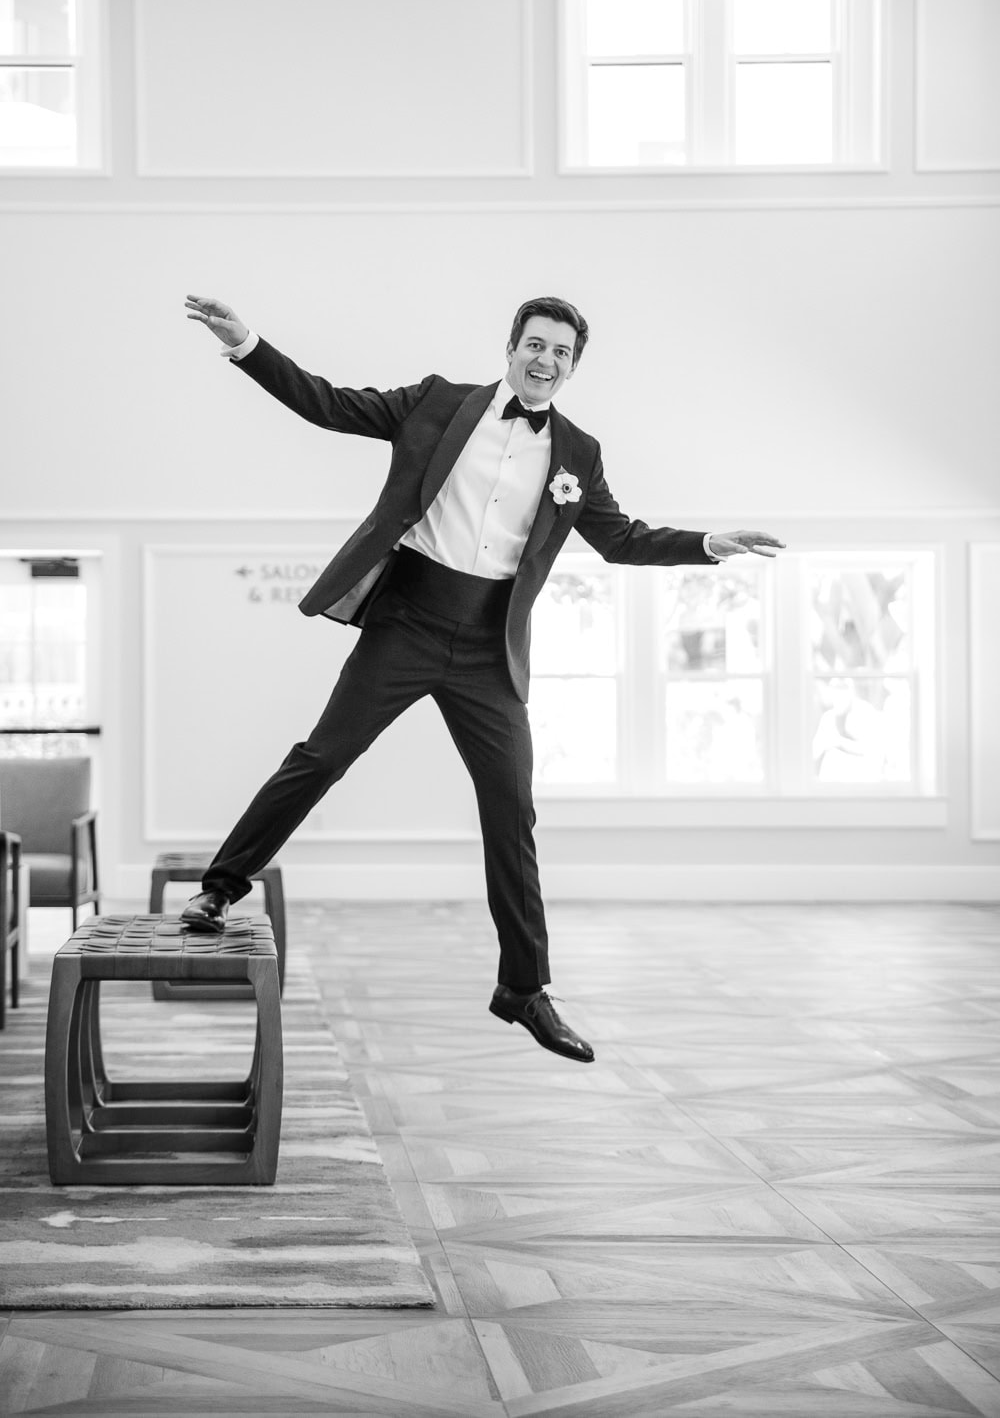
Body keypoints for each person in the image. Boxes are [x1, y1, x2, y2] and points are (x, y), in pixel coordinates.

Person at [181, 293, 785, 1064]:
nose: (547, 361)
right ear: (511, 347)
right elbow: (329, 405)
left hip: (488, 648)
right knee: (322, 757)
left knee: (512, 810)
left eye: (562, 354)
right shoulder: (437, 403)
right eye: (537, 345)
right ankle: (219, 887)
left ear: (572, 368)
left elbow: (621, 539)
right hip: (408, 622)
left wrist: (706, 543)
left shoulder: (577, 453)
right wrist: (249, 346)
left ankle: (524, 989)